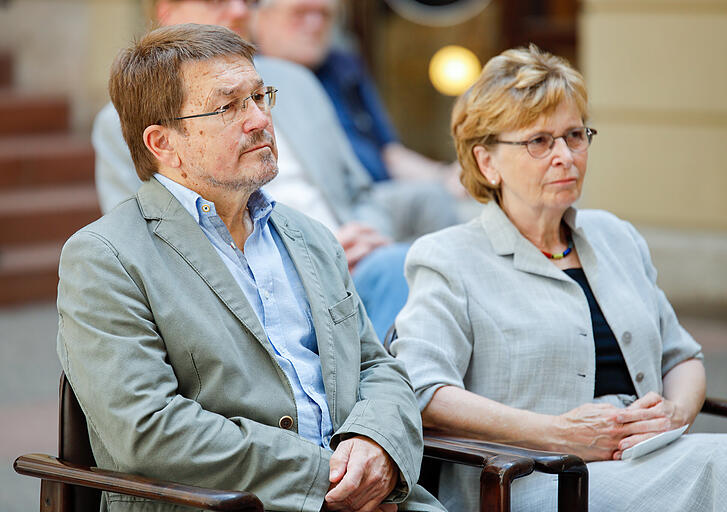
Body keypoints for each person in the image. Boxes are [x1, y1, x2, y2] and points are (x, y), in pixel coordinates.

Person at [59, 23, 445, 512]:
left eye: (261, 97)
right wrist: (326, 478)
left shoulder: (309, 236)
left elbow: (375, 365)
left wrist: (377, 445)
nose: (260, 119)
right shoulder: (105, 257)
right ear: (163, 144)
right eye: (229, 106)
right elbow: (147, 429)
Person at [390, 44, 727, 511]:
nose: (565, 156)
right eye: (539, 141)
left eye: (574, 135)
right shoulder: (448, 256)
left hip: (650, 454)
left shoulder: (616, 236)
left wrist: (676, 412)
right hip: (533, 477)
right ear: (487, 161)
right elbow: (423, 390)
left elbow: (682, 357)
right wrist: (554, 433)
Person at [92, 0, 444, 339]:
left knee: (431, 254)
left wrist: (361, 237)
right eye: (227, 106)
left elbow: (360, 191)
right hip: (251, 279)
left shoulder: (297, 81)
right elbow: (143, 243)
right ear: (167, 13)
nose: (240, 10)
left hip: (349, 259)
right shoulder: (128, 122)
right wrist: (305, 261)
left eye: (261, 98)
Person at [249, 0, 464, 193]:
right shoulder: (249, 83)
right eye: (300, 13)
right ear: (261, 17)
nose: (315, 25)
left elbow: (389, 154)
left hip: (381, 195)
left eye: (324, 14)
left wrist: (444, 177)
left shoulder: (344, 68)